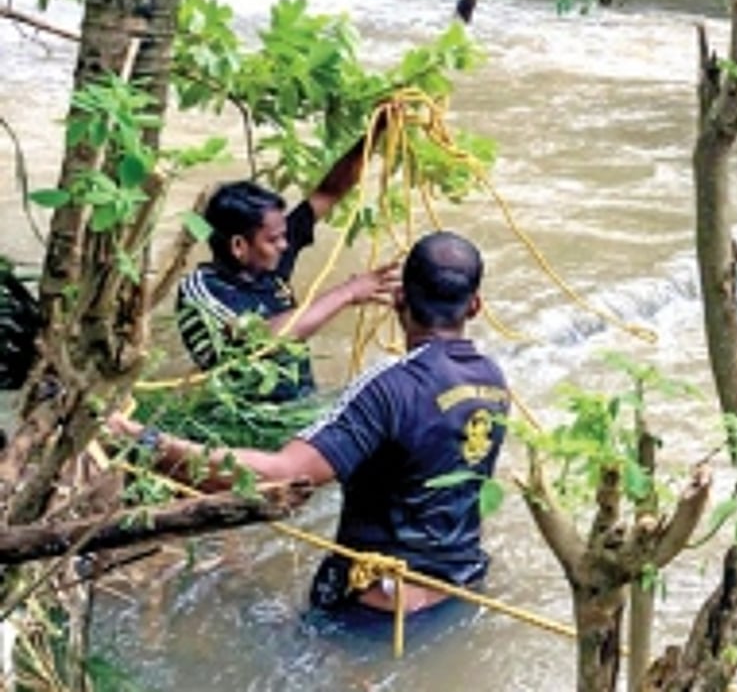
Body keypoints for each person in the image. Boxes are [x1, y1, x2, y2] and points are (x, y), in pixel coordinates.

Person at [119, 231, 509, 614]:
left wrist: (135, 439)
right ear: (475, 306)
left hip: (378, 612)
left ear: (398, 297)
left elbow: (280, 477)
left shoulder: (389, 387)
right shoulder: (493, 380)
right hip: (462, 589)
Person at [177, 134, 399, 402]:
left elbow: (329, 192)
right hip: (251, 420)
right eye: (274, 239)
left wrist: (376, 132)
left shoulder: (266, 257)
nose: (285, 245)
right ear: (239, 246)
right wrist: (347, 293)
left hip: (301, 403)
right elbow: (264, 338)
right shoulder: (202, 290)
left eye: (284, 236)